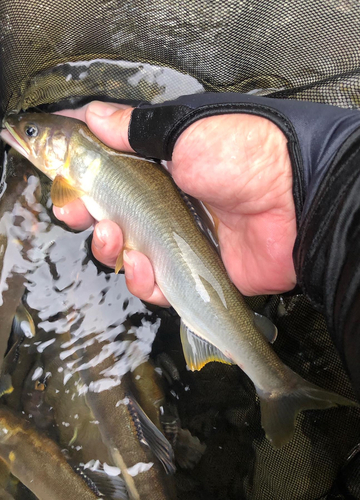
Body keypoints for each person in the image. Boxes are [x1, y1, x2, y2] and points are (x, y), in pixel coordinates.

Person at [54, 93, 360, 396]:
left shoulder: (65, 183)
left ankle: (277, 386)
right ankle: (276, 382)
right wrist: (318, 171)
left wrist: (318, 170)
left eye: (32, 133)